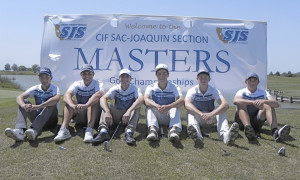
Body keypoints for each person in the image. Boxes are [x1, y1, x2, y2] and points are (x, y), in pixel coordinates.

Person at [185, 69, 239, 145]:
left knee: (221, 110)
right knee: (189, 112)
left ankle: (225, 136)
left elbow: (225, 105)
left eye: (205, 77)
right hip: (198, 117)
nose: (203, 79)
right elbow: (187, 104)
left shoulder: (214, 90)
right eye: (201, 77)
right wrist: (201, 114)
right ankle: (197, 136)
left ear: (209, 79)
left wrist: (211, 114)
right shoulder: (192, 90)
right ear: (197, 79)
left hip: (210, 118)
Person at [5, 67, 60, 141]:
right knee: (24, 101)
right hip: (37, 118)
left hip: (51, 121)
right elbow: (20, 97)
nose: (44, 80)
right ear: (39, 78)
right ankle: (20, 131)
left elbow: (56, 99)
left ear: (51, 78)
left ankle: (34, 130)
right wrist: (23, 105)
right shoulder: (35, 88)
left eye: (47, 77)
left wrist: (39, 106)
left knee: (51, 104)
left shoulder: (55, 88)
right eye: (42, 77)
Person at [233, 72, 290, 142]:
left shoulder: (263, 92)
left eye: (255, 80)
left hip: (256, 122)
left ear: (258, 82)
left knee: (268, 105)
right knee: (241, 104)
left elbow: (276, 104)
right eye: (250, 80)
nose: (252, 83)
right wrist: (252, 102)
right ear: (246, 82)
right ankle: (248, 128)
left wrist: (264, 101)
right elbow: (235, 101)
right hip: (241, 123)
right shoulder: (241, 91)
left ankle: (275, 132)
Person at [53, 64, 104, 143]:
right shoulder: (77, 83)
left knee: (93, 101)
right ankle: (64, 130)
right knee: (69, 101)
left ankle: (89, 129)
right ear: (81, 75)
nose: (87, 76)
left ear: (93, 74)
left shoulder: (98, 83)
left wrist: (86, 105)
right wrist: (72, 105)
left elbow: (99, 94)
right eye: (84, 74)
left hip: (94, 115)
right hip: (81, 113)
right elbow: (67, 95)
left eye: (89, 74)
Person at [93, 69, 144, 145]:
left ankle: (129, 132)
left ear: (130, 79)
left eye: (127, 77)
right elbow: (103, 98)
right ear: (119, 78)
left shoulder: (135, 89)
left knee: (137, 106)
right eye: (122, 77)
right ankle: (103, 132)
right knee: (107, 105)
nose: (125, 79)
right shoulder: (116, 88)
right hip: (117, 114)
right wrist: (107, 112)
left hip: (128, 116)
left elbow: (141, 99)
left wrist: (129, 111)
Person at [144, 64, 184, 142]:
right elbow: (146, 99)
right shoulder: (151, 86)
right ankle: (152, 131)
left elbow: (181, 100)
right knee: (150, 107)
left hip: (169, 116)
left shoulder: (174, 87)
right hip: (157, 116)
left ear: (168, 75)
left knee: (176, 106)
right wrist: (157, 106)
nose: (162, 75)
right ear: (156, 75)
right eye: (159, 73)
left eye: (164, 73)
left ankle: (173, 130)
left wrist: (169, 106)